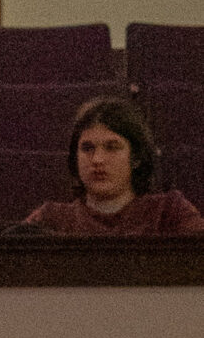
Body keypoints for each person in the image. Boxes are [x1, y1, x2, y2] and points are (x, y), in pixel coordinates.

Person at [21, 96, 204, 236]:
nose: (97, 159)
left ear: (136, 157)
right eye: (87, 148)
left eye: (112, 147)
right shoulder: (50, 220)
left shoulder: (169, 213)